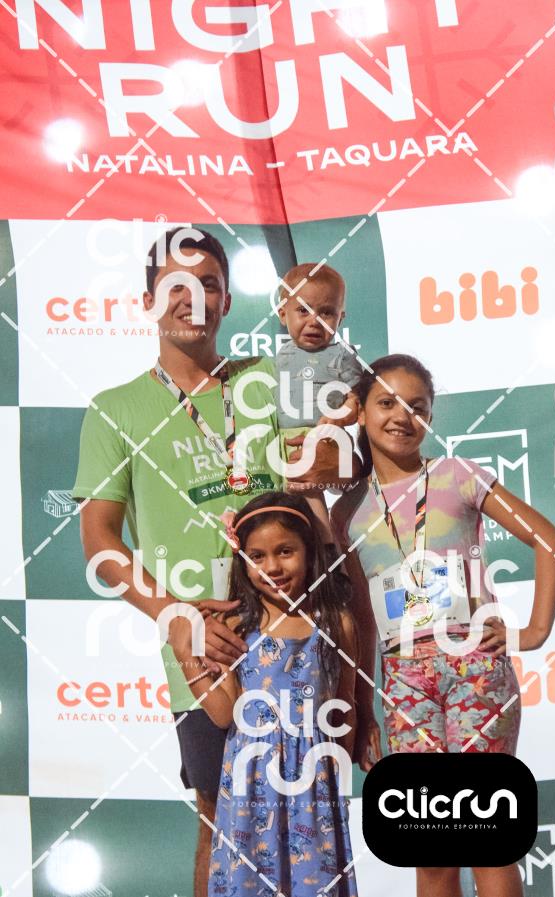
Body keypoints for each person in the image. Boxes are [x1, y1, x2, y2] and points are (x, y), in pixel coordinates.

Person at [72, 227, 357, 897]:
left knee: (313, 820)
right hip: (209, 646)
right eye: (175, 284)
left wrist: (336, 442)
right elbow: (101, 544)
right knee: (220, 822)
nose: (191, 297)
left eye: (207, 283)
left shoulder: (274, 378)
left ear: (227, 300)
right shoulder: (115, 410)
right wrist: (175, 616)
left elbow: (333, 465)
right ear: (148, 300)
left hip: (299, 640)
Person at [331, 354, 555, 897]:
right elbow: (360, 618)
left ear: (431, 417)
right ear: (360, 412)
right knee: (431, 851)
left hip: (476, 672)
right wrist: (364, 705)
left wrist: (532, 633)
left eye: (417, 407)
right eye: (387, 403)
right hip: (403, 682)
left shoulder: (458, 476)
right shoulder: (347, 512)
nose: (402, 416)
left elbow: (550, 541)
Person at [179, 491, 359, 897]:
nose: (272, 567)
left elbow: (344, 708)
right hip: (250, 783)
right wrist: (185, 655)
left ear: (309, 551)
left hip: (313, 786)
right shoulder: (235, 625)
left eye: (285, 551)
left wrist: (334, 776)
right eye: (257, 556)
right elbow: (223, 713)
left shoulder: (337, 623)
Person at [275, 263, 363, 537]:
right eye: (303, 310)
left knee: (313, 500)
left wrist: (340, 415)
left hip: (323, 437)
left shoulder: (342, 356)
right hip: (283, 440)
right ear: (283, 314)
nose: (315, 321)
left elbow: (359, 397)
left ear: (340, 318)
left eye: (326, 312)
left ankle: (327, 550)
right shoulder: (281, 356)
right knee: (284, 506)